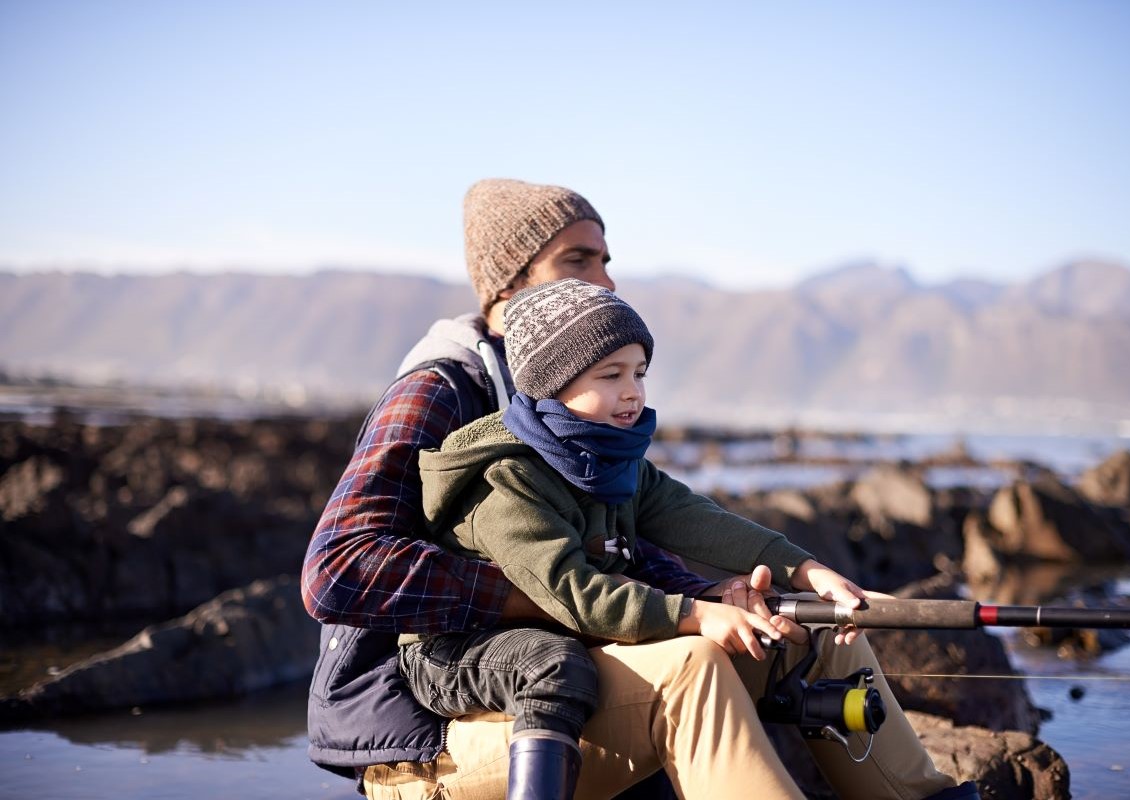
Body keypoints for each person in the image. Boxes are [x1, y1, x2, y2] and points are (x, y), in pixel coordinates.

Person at [301, 178, 979, 800]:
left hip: (577, 664)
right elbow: (335, 570)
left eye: (605, 260)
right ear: (508, 285)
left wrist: (742, 587)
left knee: (815, 633)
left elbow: (645, 530)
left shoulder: (588, 422)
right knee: (693, 664)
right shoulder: (442, 395)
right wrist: (548, 598)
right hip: (429, 723)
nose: (606, 280)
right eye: (578, 260)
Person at [402, 277, 888, 799]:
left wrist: (806, 570)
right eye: (611, 375)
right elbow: (574, 592)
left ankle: (918, 792)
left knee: (810, 628)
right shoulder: (505, 480)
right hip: (456, 650)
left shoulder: (612, 460)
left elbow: (696, 518)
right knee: (556, 662)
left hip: (565, 630)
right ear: (551, 383)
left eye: (639, 372)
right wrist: (696, 614)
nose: (633, 391)